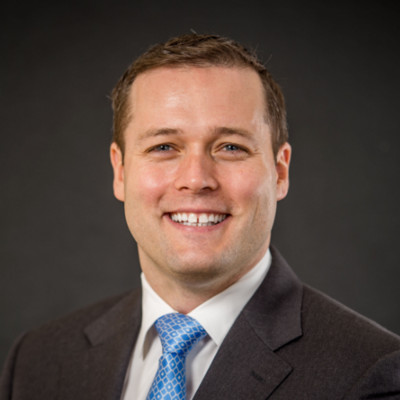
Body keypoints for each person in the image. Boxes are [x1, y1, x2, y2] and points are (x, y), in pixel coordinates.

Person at [1, 33, 400, 400]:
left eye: (230, 147)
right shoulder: (37, 362)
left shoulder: (371, 374)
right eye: (163, 147)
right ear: (120, 172)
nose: (195, 179)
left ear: (280, 172)